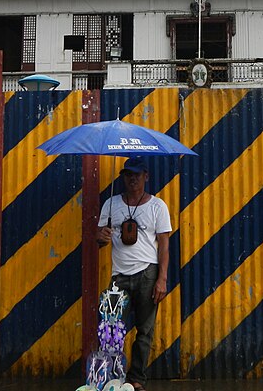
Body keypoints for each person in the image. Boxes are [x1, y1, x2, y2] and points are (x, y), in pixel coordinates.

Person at [97, 157, 171, 391]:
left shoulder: (157, 206)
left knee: (144, 331)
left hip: (147, 274)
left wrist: (162, 279)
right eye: (128, 174)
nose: (132, 179)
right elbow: (98, 238)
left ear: (146, 176)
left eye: (137, 174)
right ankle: (112, 378)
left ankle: (136, 379)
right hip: (118, 278)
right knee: (111, 328)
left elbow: (164, 246)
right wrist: (102, 237)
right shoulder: (110, 204)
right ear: (123, 177)